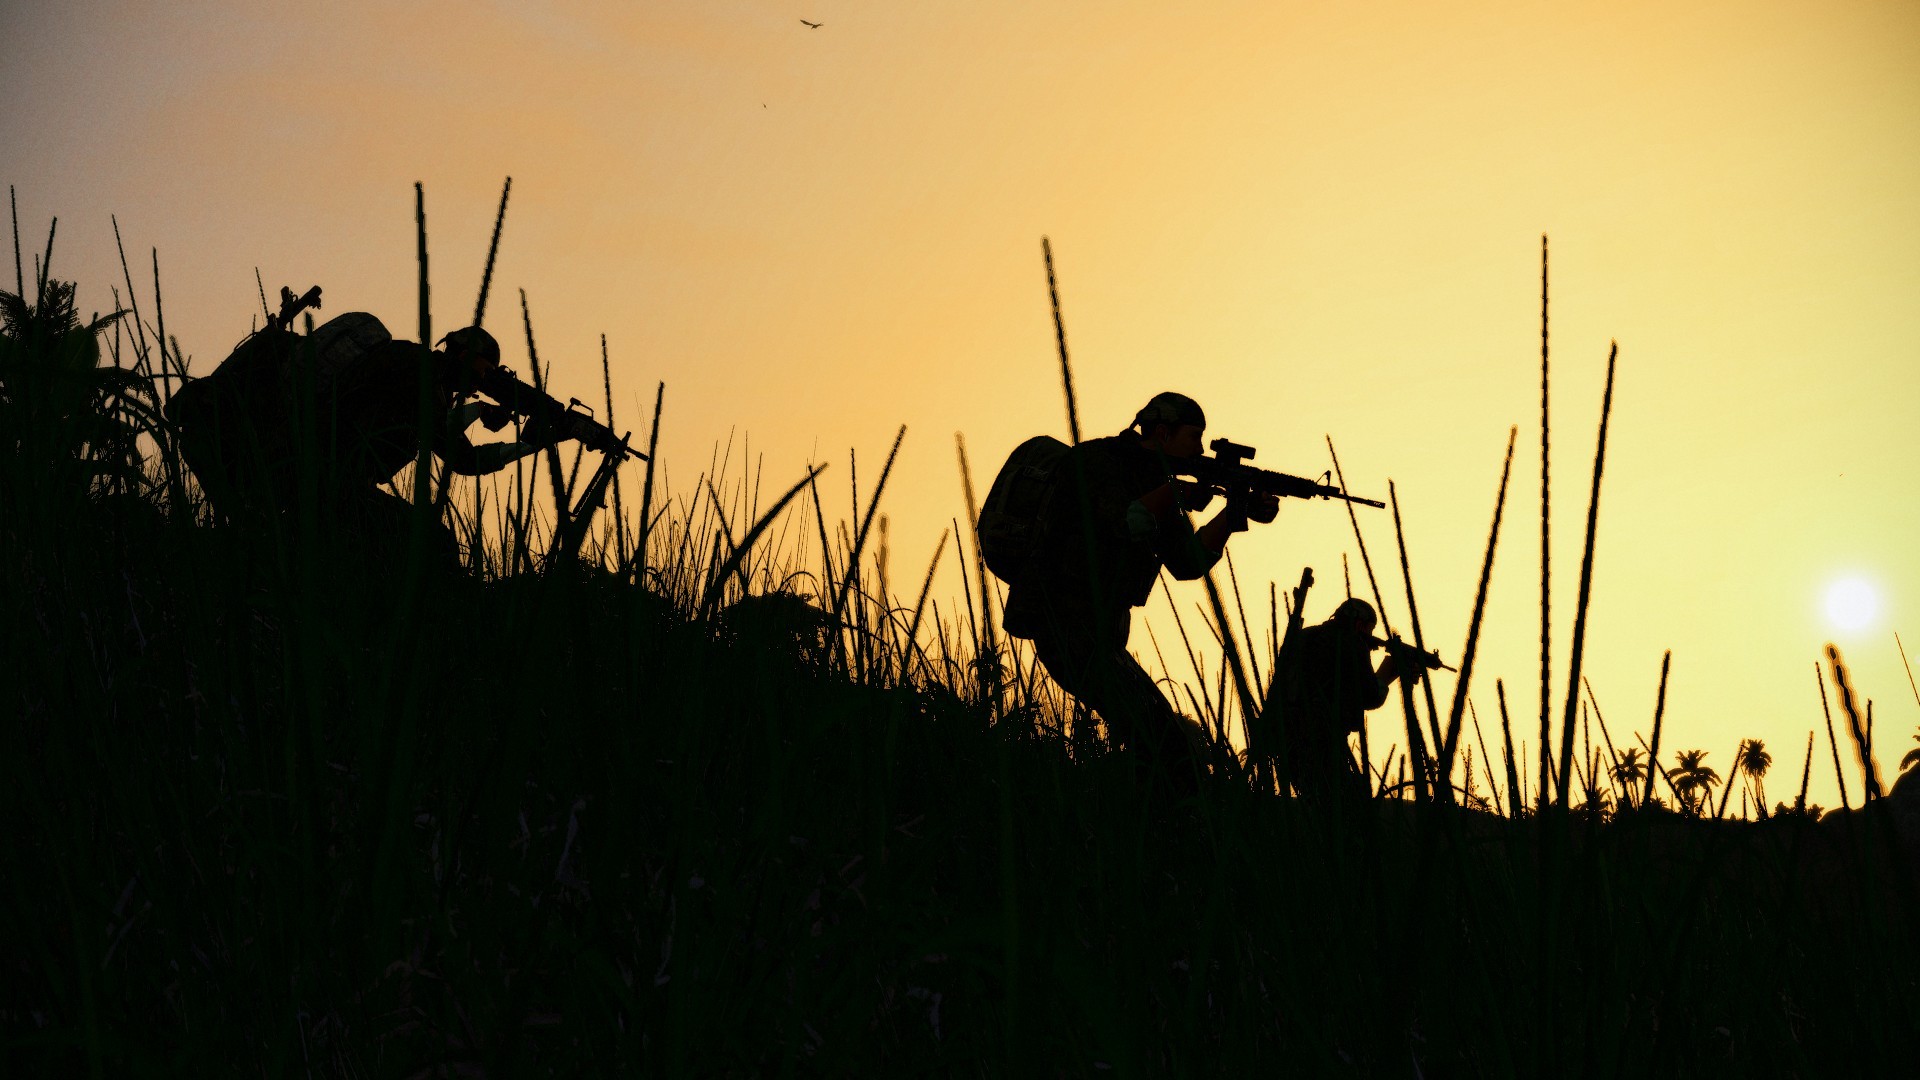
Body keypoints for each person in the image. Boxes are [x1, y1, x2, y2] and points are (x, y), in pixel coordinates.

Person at [1001, 392, 1278, 794]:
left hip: (1102, 635)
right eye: (1194, 437)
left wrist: (1235, 514)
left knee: (1160, 742)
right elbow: (1126, 519)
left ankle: (1131, 812)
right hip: (1064, 624)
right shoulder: (1097, 462)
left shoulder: (1156, 481)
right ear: (1163, 433)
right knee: (1164, 741)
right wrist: (1177, 492)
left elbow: (1187, 563)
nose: (1200, 449)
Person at [1268, 598, 1418, 805]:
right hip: (1323, 739)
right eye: (1370, 629)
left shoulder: (1305, 636)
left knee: (1313, 800)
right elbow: (1369, 696)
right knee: (1346, 802)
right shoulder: (1352, 643)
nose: (1371, 636)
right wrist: (1388, 674)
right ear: (1359, 625)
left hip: (1284, 736)